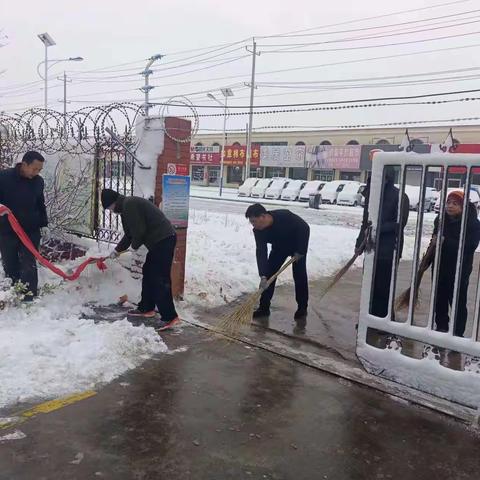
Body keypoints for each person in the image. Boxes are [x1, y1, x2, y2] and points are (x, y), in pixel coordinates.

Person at [101, 188, 179, 330]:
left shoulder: (129, 205)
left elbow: (139, 231)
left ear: (114, 202)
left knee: (159, 278)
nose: (111, 211)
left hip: (164, 239)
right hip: (158, 241)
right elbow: (130, 234)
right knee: (149, 273)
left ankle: (170, 317)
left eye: (110, 207)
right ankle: (146, 308)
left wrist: (134, 247)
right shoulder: (126, 207)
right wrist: (117, 251)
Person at [356, 169, 409, 317]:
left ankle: (384, 319)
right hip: (371, 249)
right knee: (369, 286)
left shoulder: (400, 197)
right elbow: (366, 222)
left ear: (387, 178)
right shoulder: (372, 195)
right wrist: (359, 242)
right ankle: (368, 318)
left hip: (389, 250)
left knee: (384, 287)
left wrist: (377, 228)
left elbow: (399, 224)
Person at [245, 203, 310, 320]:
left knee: (299, 276)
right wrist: (263, 275)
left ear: (263, 216)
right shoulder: (258, 231)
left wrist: (301, 250)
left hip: (297, 246)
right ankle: (264, 308)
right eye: (251, 222)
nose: (253, 225)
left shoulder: (284, 216)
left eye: (254, 221)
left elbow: (304, 228)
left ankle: (302, 307)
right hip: (279, 248)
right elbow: (261, 252)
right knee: (269, 275)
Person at [0, 151, 48, 300]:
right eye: (34, 169)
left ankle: (29, 297)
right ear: (24, 164)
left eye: (39, 169)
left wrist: (44, 223)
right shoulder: (4, 177)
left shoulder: (38, 182)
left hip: (30, 230)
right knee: (10, 262)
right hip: (7, 229)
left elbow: (40, 203)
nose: (37, 172)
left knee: (29, 263)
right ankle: (14, 293)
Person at [432, 190, 480, 336]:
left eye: (455, 203)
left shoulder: (472, 223)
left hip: (459, 268)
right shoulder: (440, 220)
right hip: (440, 265)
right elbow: (435, 240)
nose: (450, 206)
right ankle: (441, 327)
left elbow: (470, 245)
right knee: (439, 298)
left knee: (458, 301)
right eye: (448, 202)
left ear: (463, 206)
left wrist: (445, 242)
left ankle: (458, 333)